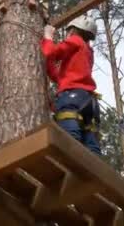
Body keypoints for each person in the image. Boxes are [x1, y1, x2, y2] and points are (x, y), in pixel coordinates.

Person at [41, 15, 102, 155]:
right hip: (89, 102)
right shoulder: (87, 52)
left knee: (70, 139)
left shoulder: (75, 40)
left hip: (72, 98)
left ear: (73, 31)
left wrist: (48, 37)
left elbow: (50, 52)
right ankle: (91, 174)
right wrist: (48, 64)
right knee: (91, 145)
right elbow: (60, 77)